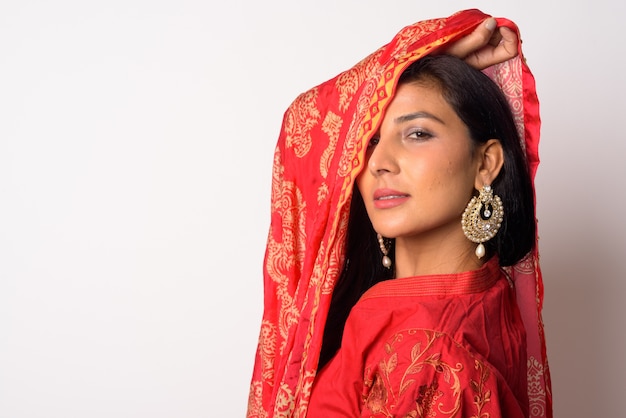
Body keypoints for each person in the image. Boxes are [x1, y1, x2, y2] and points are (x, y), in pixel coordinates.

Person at [247, 9, 552, 418]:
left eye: (417, 133)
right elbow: (305, 127)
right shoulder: (483, 295)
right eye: (368, 140)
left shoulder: (426, 359)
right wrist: (412, 62)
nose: (377, 162)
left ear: (486, 164)